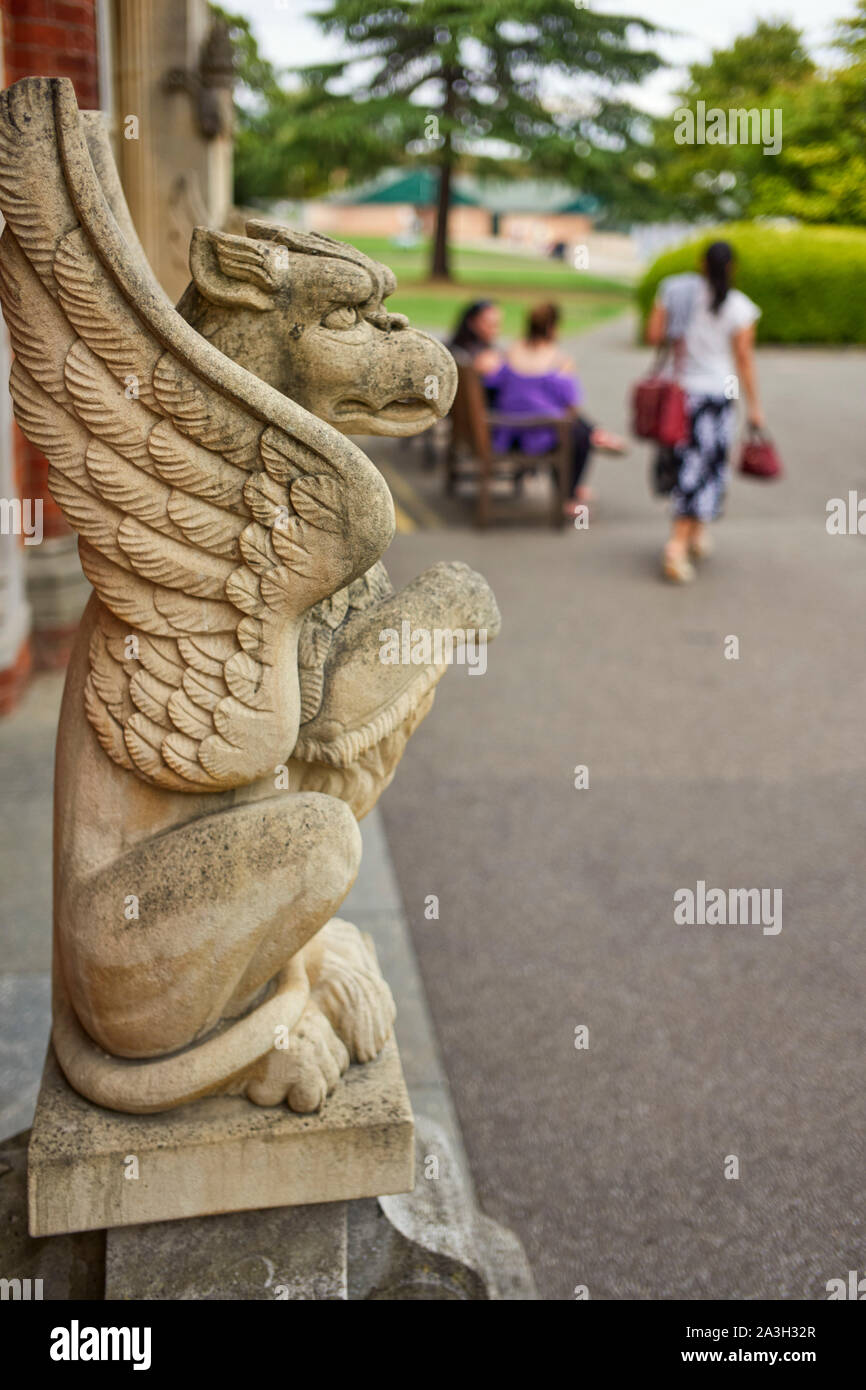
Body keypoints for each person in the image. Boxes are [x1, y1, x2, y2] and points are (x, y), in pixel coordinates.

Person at [647, 241, 764, 583]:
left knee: (687, 464)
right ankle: (677, 544)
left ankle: (695, 533)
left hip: (680, 394)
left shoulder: (675, 291)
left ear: (701, 263)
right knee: (705, 468)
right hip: (716, 395)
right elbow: (744, 360)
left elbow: (654, 334)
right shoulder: (740, 307)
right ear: (733, 268)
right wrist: (755, 407)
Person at [481, 302, 624, 516]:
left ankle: (595, 435)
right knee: (577, 433)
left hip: (508, 430)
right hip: (538, 434)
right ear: (552, 328)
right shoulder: (558, 360)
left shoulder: (511, 352)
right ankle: (570, 494)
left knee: (574, 427)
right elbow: (572, 403)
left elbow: (494, 382)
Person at [449, 299, 503, 378]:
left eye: (497, 325)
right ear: (471, 322)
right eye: (488, 324)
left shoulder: (496, 352)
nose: (494, 331)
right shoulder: (455, 353)